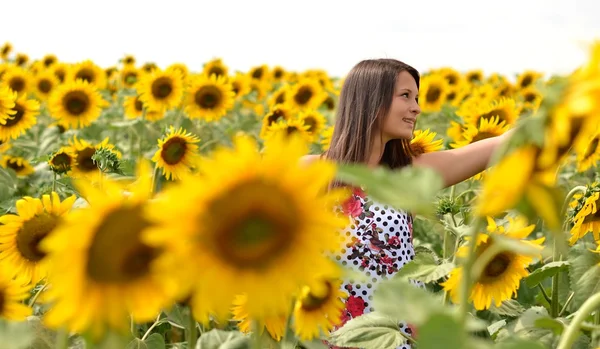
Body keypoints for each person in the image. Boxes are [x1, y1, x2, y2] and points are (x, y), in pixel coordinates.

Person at [300, 59, 514, 349]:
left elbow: (498, 145)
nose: (417, 108)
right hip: (339, 340)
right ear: (371, 100)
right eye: (405, 96)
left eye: (416, 98)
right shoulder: (313, 172)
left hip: (405, 340)